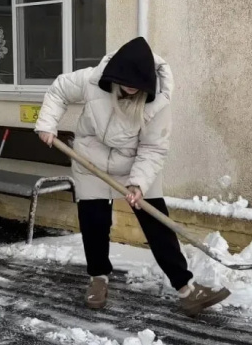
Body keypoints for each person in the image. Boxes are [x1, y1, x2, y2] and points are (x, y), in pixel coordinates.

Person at [34, 36, 230, 315]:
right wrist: (47, 124)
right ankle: (98, 278)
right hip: (91, 159)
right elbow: (59, 91)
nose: (129, 87)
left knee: (156, 221)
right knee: (94, 221)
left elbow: (152, 148)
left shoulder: (158, 103)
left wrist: (138, 184)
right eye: (124, 80)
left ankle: (186, 289)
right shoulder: (93, 80)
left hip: (135, 161)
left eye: (137, 84)